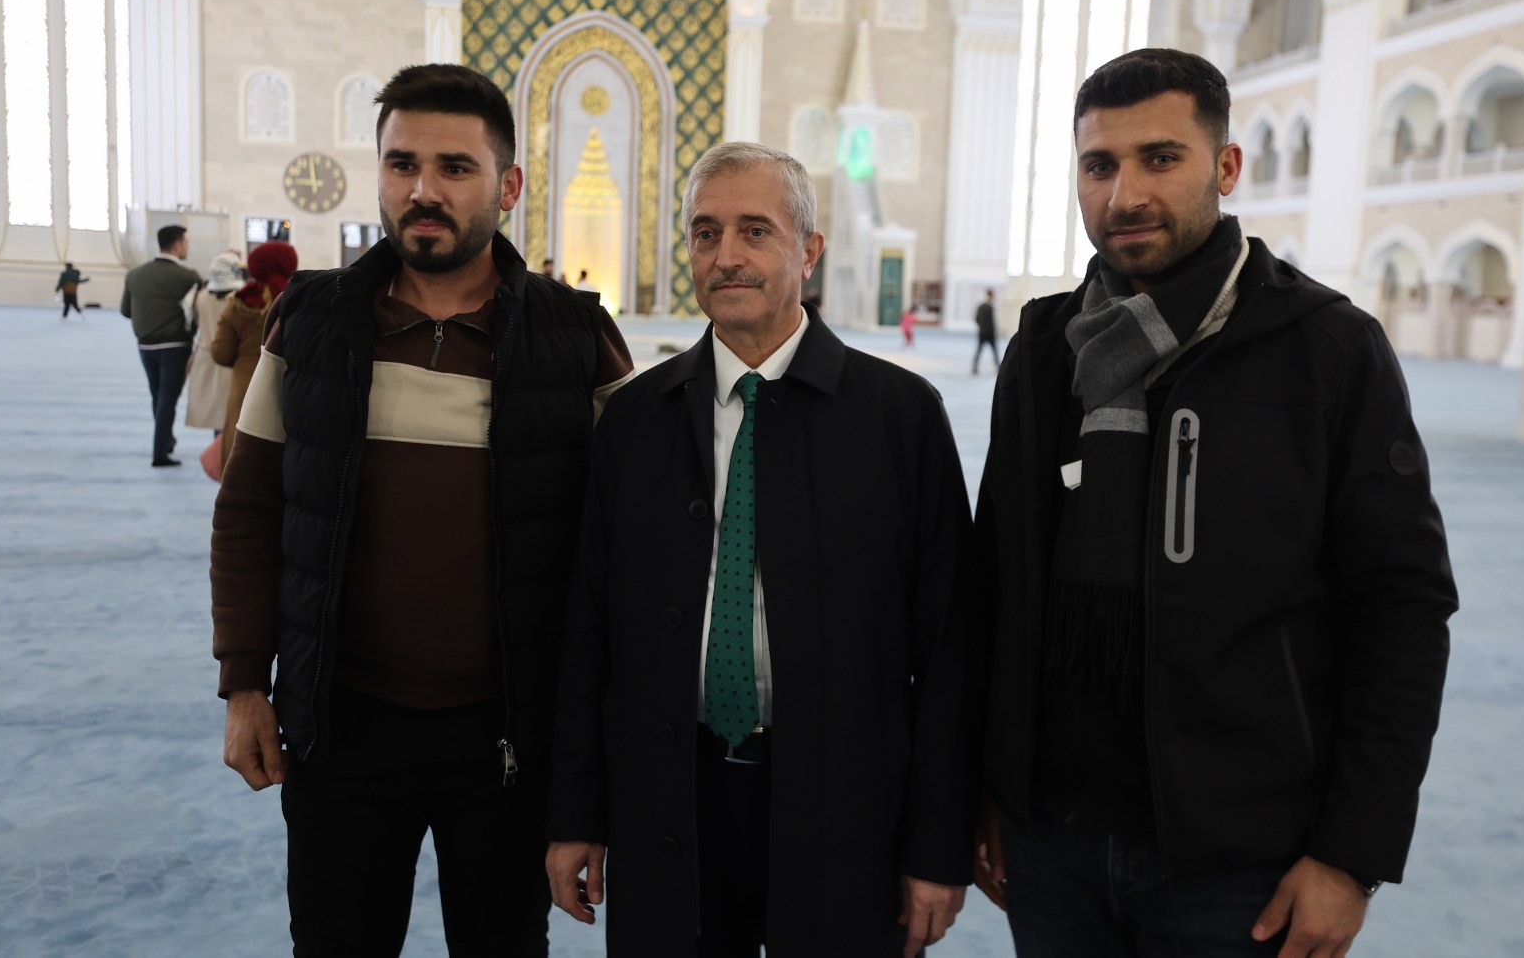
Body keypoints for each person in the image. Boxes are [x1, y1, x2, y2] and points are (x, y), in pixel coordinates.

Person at [973, 48, 1458, 957]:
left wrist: (1350, 854)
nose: (1125, 194)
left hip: (1241, 859)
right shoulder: (1043, 348)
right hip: (1054, 842)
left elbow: (1402, 609)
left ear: (1225, 167)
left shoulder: (1326, 350)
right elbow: (994, 585)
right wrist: (990, 785)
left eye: (1160, 158)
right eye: (1099, 165)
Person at [210, 63, 633, 957]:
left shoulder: (576, 338)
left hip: (510, 738)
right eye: (402, 164)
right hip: (341, 729)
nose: (423, 190)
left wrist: (598, 751)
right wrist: (245, 680)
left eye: (455, 167)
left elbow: (631, 551)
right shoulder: (308, 323)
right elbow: (248, 509)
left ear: (508, 186)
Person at [546, 142, 980, 957]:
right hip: (670, 795)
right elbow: (588, 631)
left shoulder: (900, 418)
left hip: (845, 805)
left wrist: (937, 843)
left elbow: (951, 649)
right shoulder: (635, 420)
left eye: (755, 230)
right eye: (706, 233)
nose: (726, 256)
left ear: (808, 251)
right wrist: (575, 813)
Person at [210, 240, 297, 470]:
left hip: (246, 388)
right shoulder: (300, 301)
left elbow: (221, 354)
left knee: (241, 458)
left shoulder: (238, 304)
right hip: (290, 388)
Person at [121, 225, 202, 466]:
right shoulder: (188, 277)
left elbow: (126, 311)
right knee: (168, 398)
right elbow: (198, 311)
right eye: (186, 243)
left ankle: (165, 440)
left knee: (157, 395)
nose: (187, 247)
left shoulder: (135, 275)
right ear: (177, 245)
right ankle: (160, 453)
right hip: (175, 345)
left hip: (145, 346)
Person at [185, 251, 245, 438]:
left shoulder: (200, 296)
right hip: (231, 360)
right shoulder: (238, 299)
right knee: (231, 414)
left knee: (215, 414)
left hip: (206, 359)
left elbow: (193, 321)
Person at [973, 288, 999, 374]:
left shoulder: (981, 306)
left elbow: (976, 319)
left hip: (982, 332)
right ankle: (998, 368)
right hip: (989, 333)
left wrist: (982, 327)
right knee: (994, 351)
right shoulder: (990, 307)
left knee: (979, 350)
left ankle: (974, 368)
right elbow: (991, 322)